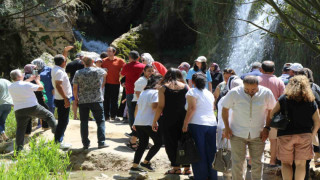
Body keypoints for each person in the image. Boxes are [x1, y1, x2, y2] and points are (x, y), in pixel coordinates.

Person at [222, 75, 276, 180]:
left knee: (257, 162)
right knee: (238, 162)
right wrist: (227, 127)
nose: (250, 91)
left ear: (258, 86)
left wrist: (267, 128)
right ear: (243, 85)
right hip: (237, 132)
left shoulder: (266, 93)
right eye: (247, 89)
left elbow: (271, 110)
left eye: (253, 89)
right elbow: (225, 109)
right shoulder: (234, 92)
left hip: (258, 133)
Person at [270, 75, 320, 180]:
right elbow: (317, 121)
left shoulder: (283, 99)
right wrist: (313, 134)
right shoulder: (310, 100)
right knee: (301, 164)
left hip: (285, 135)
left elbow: (272, 114)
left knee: (286, 163)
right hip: (304, 135)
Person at [152, 68, 191, 175]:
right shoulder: (186, 87)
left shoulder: (163, 88)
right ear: (180, 76)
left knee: (170, 143)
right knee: (184, 142)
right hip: (183, 119)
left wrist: (154, 121)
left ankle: (176, 167)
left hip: (168, 120)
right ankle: (187, 168)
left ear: (167, 76)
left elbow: (160, 107)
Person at [8, 69, 57, 151]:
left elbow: (21, 84)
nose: (23, 74)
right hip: (32, 107)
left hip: (19, 110)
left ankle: (19, 149)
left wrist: (30, 79)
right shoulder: (26, 84)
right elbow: (41, 88)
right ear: (19, 76)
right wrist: (37, 80)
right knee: (49, 116)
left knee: (20, 129)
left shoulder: (10, 86)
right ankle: (58, 137)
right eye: (21, 73)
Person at [182, 73, 218, 180]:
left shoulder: (192, 91)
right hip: (211, 123)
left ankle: (200, 176)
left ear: (192, 82)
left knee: (198, 151)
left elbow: (191, 109)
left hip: (197, 123)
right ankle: (212, 176)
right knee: (211, 151)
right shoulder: (209, 93)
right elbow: (212, 108)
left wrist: (185, 124)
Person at [72, 56, 108, 149]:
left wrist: (76, 99)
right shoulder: (97, 71)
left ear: (83, 63)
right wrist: (94, 66)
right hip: (96, 99)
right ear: (92, 62)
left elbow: (75, 87)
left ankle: (85, 144)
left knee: (83, 122)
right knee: (100, 121)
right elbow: (105, 73)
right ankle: (101, 142)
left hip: (83, 100)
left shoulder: (78, 72)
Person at [130, 75, 163, 174]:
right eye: (161, 83)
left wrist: (135, 122)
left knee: (143, 144)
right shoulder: (156, 92)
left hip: (139, 121)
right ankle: (145, 162)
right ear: (157, 83)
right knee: (158, 143)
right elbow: (154, 107)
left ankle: (135, 166)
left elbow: (137, 108)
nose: (162, 85)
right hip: (148, 122)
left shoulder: (144, 92)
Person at [258, 60, 285, 167]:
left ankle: (254, 161)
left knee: (257, 138)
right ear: (274, 70)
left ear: (261, 70)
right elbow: (282, 98)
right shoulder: (279, 82)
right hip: (274, 115)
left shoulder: (256, 80)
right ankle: (272, 161)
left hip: (258, 114)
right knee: (274, 140)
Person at [121, 51, 145, 150]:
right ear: (138, 57)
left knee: (131, 113)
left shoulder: (127, 66)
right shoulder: (143, 66)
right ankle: (142, 134)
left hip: (130, 92)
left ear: (130, 57)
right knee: (142, 112)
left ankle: (134, 133)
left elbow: (122, 74)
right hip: (142, 93)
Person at [51, 46, 73, 149]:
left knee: (63, 120)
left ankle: (59, 139)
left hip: (60, 98)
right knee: (63, 121)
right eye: (65, 60)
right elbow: (58, 85)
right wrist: (65, 98)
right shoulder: (59, 71)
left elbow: (62, 59)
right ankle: (58, 142)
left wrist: (65, 51)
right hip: (62, 99)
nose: (66, 61)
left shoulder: (56, 68)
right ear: (63, 62)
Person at [23, 64, 50, 134]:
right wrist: (41, 95)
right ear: (30, 69)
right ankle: (46, 126)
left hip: (27, 97)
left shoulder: (24, 76)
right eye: (34, 69)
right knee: (45, 110)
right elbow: (37, 87)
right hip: (37, 97)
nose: (36, 70)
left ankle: (27, 132)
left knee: (28, 114)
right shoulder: (31, 77)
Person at [102, 47, 126, 121]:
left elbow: (126, 68)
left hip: (116, 83)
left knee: (114, 100)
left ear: (114, 52)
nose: (108, 53)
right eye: (107, 51)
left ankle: (114, 116)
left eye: (110, 51)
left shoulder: (119, 60)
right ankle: (106, 116)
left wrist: (122, 74)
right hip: (106, 83)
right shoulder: (104, 61)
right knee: (106, 100)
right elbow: (97, 67)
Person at [66, 52, 84, 120]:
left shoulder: (70, 63)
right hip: (82, 82)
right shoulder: (82, 63)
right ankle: (82, 115)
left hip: (72, 82)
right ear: (81, 57)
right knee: (82, 99)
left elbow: (67, 73)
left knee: (74, 99)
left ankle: (75, 116)